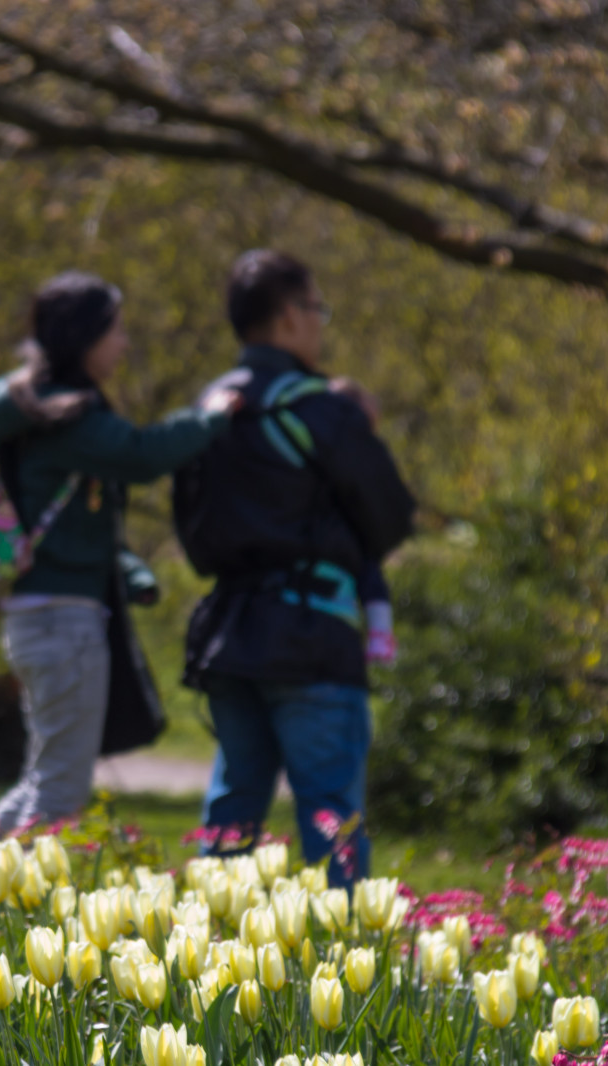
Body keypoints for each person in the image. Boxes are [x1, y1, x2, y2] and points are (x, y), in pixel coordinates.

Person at [0, 271, 241, 835]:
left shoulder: (26, 407)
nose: (125, 343)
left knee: (44, 775)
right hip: (65, 621)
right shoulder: (70, 418)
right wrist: (212, 417)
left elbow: (75, 517)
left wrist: (128, 569)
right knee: (62, 787)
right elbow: (141, 454)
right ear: (85, 337)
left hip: (33, 617)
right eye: (116, 330)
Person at [174, 249, 416, 887]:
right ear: (287, 317)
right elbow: (391, 514)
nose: (320, 323)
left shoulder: (206, 411)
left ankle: (204, 962)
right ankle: (346, 964)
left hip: (229, 639)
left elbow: (195, 538)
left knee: (231, 812)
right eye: (316, 308)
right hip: (313, 640)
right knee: (332, 813)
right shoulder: (320, 409)